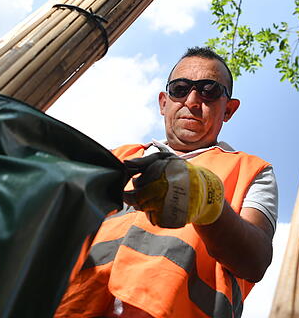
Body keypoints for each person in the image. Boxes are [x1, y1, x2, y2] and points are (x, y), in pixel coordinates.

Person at [55, 47, 278, 318]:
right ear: (164, 102)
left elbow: (255, 260)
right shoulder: (117, 157)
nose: (193, 101)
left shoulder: (253, 171)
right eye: (180, 88)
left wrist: (205, 201)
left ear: (229, 109)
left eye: (209, 91)